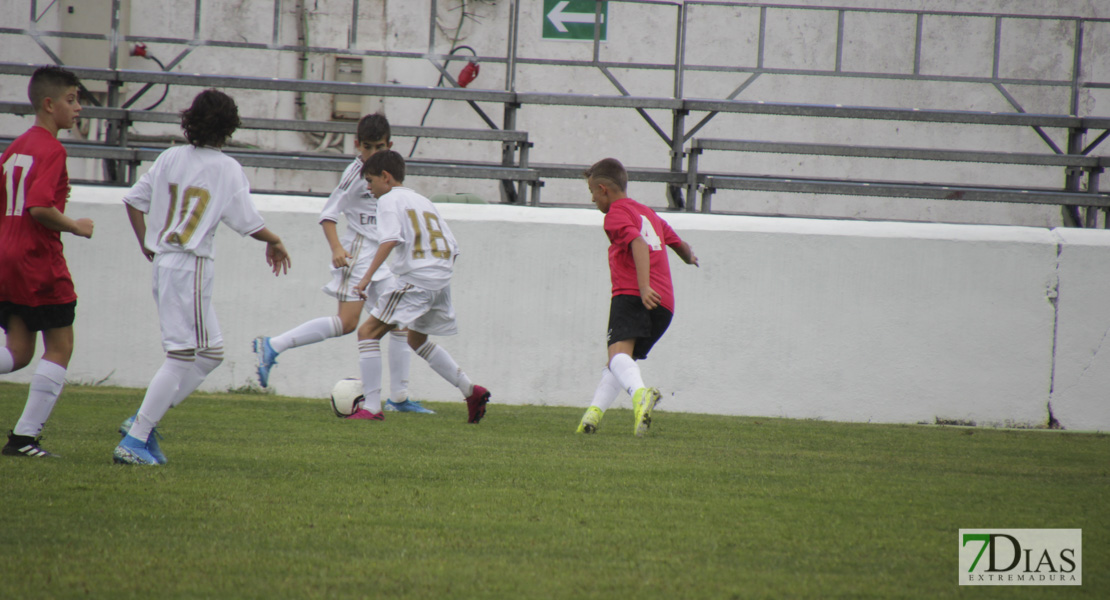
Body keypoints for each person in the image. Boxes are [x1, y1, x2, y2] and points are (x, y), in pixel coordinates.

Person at [114, 89, 292, 465]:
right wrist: (274, 239)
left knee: (211, 351)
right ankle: (136, 437)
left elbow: (133, 200)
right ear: (228, 127)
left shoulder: (170, 156)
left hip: (167, 260)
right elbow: (247, 220)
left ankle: (145, 420)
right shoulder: (226, 168)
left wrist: (147, 242)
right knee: (180, 356)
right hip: (190, 264)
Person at [251, 114, 431, 414]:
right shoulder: (355, 173)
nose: (373, 154)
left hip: (382, 259)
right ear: (357, 145)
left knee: (401, 321)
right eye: (368, 148)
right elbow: (328, 214)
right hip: (357, 254)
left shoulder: (389, 172)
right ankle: (273, 345)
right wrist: (336, 248)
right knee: (348, 324)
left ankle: (399, 398)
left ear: (391, 145)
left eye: (380, 147)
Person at [352, 150, 490, 422]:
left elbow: (389, 239)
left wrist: (366, 277)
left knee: (367, 332)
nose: (368, 189)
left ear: (386, 177)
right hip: (440, 280)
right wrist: (437, 274)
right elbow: (453, 246)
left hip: (417, 279)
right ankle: (471, 391)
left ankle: (370, 408)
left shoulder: (389, 199)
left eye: (370, 181)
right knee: (416, 339)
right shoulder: (422, 200)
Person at [1, 65, 94, 458]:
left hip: (5, 256)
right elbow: (39, 207)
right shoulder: (52, 148)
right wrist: (75, 226)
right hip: (37, 259)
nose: (78, 109)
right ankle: (24, 439)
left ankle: (22, 441)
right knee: (60, 345)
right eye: (72, 101)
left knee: (19, 352)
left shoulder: (15, 145)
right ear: (48, 103)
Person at [576, 158, 698, 436]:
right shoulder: (648, 214)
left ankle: (641, 395)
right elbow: (678, 244)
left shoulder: (616, 214)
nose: (593, 200)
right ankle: (591, 418)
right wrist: (690, 257)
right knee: (621, 361)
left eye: (593, 193)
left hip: (634, 295)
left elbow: (638, 243)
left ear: (604, 189)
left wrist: (643, 288)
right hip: (664, 305)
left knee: (618, 356)